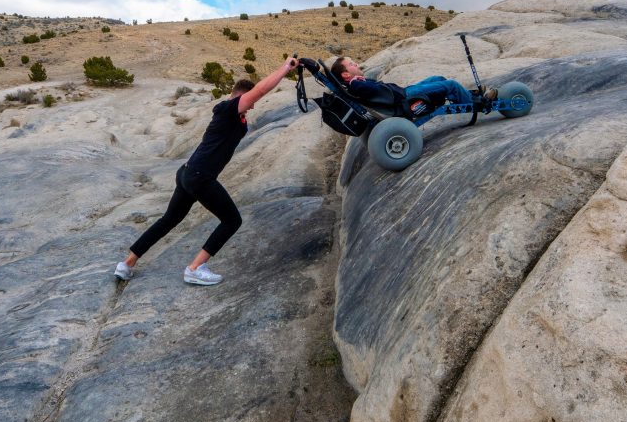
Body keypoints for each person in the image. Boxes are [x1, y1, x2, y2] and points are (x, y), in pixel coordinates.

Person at [113, 56, 299, 286]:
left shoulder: (231, 114)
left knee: (169, 219)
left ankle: (127, 264)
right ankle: (195, 268)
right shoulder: (229, 108)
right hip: (200, 176)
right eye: (249, 102)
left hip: (187, 173)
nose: (252, 106)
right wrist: (285, 68)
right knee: (232, 220)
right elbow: (260, 90)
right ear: (242, 96)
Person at [329, 56, 496, 106]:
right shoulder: (357, 84)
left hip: (402, 92)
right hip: (403, 97)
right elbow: (373, 90)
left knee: (438, 79)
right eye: (351, 64)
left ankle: (465, 98)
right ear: (345, 75)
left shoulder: (357, 82)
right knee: (450, 84)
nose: (356, 64)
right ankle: (479, 103)